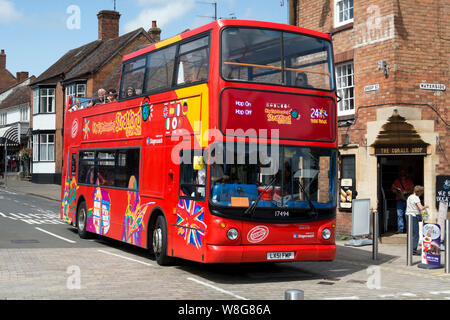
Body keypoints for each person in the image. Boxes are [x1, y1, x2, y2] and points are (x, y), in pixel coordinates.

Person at [406, 185, 428, 255]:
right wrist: (426, 206)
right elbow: (421, 208)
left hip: (407, 215)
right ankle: (413, 251)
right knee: (416, 234)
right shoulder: (416, 198)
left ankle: (410, 249)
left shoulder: (409, 197)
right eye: (421, 192)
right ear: (419, 192)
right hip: (413, 216)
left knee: (410, 233)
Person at [391, 168, 414, 234]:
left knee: (407, 214)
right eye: (401, 175)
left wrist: (406, 191)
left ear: (406, 175)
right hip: (399, 200)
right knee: (399, 215)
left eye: (404, 175)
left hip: (407, 200)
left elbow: (413, 190)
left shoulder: (409, 181)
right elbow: (392, 189)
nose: (402, 176)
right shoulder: (396, 181)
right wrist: (395, 191)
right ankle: (400, 229)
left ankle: (408, 229)